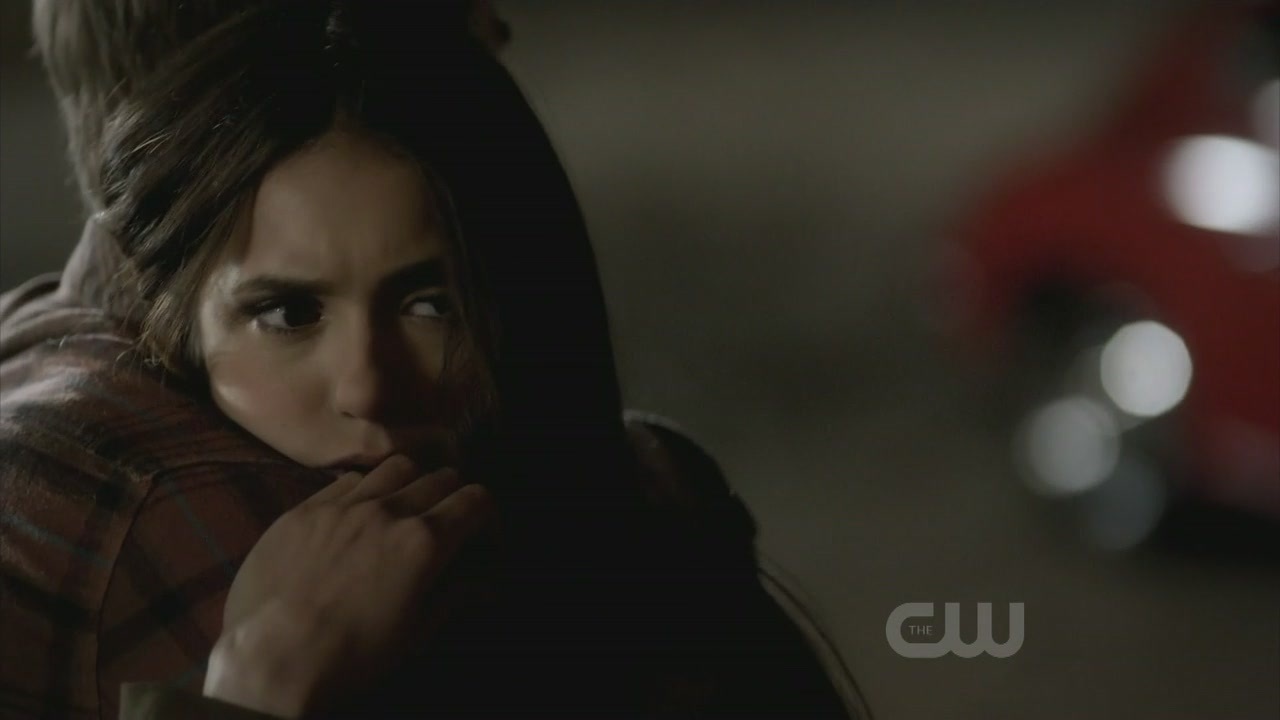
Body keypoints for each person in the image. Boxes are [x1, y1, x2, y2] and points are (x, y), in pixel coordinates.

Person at [0, 1, 857, 717]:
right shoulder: (177, 522)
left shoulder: (646, 535)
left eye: (431, 304)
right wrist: (256, 691)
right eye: (289, 313)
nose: (368, 386)